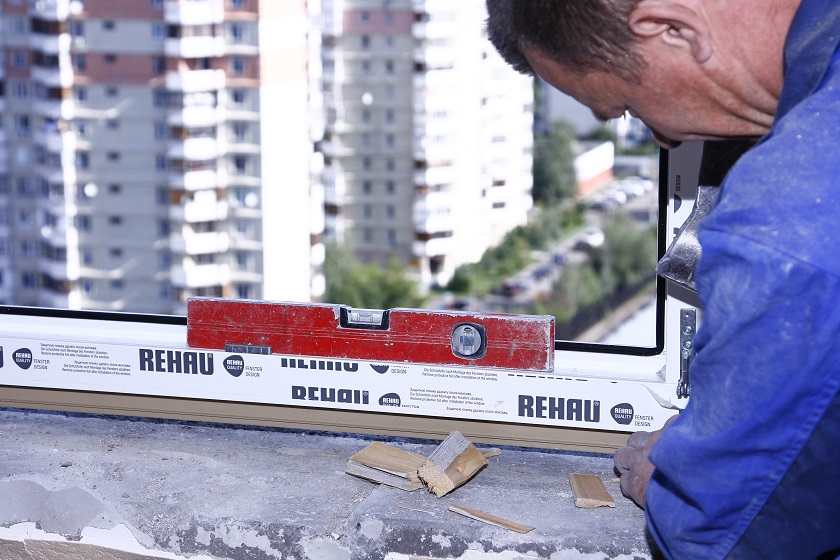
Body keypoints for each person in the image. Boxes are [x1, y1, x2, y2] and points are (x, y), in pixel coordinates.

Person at [485, 1, 840, 558]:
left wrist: (673, 483)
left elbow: (725, 539)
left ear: (671, 28)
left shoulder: (791, 221)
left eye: (627, 108)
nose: (665, 143)